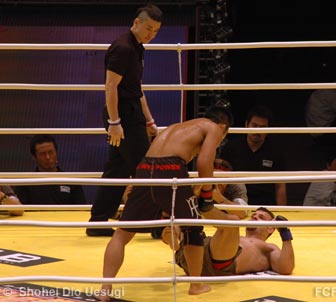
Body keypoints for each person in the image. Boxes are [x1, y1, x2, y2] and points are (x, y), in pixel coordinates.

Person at [94, 106, 233, 301]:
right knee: (192, 228)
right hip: (171, 168)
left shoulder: (179, 127)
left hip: (144, 167)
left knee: (122, 233)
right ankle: (196, 285)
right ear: (224, 127)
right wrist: (208, 193)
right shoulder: (214, 128)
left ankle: (105, 289)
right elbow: (204, 162)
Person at [86, 3, 162, 237]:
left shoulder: (137, 47)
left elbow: (136, 89)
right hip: (123, 117)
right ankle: (154, 223)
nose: (151, 34)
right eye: (148, 28)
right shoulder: (123, 48)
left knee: (117, 169)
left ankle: (98, 220)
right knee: (145, 168)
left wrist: (149, 121)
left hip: (129, 114)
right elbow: (111, 87)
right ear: (136, 22)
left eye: (156, 31)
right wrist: (115, 122)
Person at [162, 207, 295, 276]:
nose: (254, 217)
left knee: (233, 221)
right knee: (177, 224)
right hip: (196, 256)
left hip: (219, 263)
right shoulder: (235, 237)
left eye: (261, 217)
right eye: (253, 215)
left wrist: (285, 233)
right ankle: (176, 242)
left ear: (271, 228)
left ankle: (204, 207)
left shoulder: (269, 247)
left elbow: (286, 268)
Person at [220, 105, 287, 205]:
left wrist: (281, 214)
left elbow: (280, 186)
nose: (257, 130)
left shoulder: (276, 151)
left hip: (266, 206)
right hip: (236, 203)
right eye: (254, 125)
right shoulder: (231, 147)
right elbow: (220, 179)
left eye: (263, 127)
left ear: (269, 129)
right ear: (246, 125)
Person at [14, 134, 86, 205]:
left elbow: (82, 211)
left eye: (51, 152)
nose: (48, 157)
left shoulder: (72, 182)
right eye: (42, 154)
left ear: (56, 152)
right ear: (34, 157)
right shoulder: (25, 184)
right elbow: (19, 212)